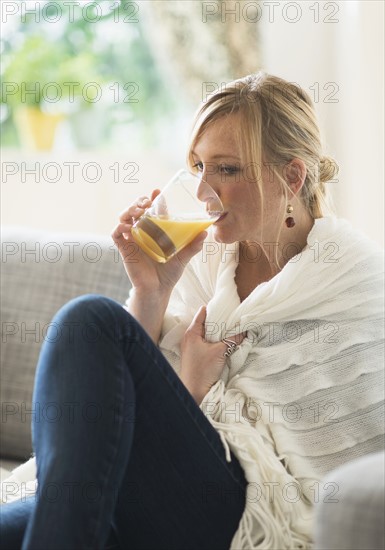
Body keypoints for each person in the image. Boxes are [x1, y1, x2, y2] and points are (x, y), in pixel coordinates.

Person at [0, 72, 383, 550]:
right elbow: (120, 427)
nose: (203, 192)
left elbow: (342, 471)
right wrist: (152, 290)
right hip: (150, 489)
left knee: (90, 320)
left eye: (226, 169)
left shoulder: (354, 282)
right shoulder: (200, 262)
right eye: (197, 166)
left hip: (248, 509)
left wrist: (190, 388)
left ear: (292, 176)